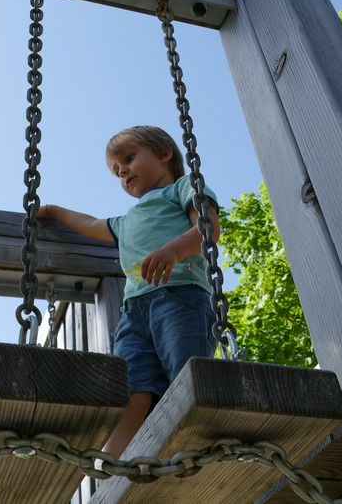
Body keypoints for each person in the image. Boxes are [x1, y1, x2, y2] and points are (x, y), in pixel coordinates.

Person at [38, 125, 220, 460]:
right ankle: (114, 463)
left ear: (165, 153)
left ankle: (191, 448)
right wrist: (52, 210)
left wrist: (175, 250)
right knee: (133, 385)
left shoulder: (182, 188)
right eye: (116, 172)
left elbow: (207, 228)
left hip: (179, 296)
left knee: (185, 372)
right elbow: (92, 225)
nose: (122, 172)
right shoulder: (126, 221)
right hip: (133, 312)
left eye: (129, 159)